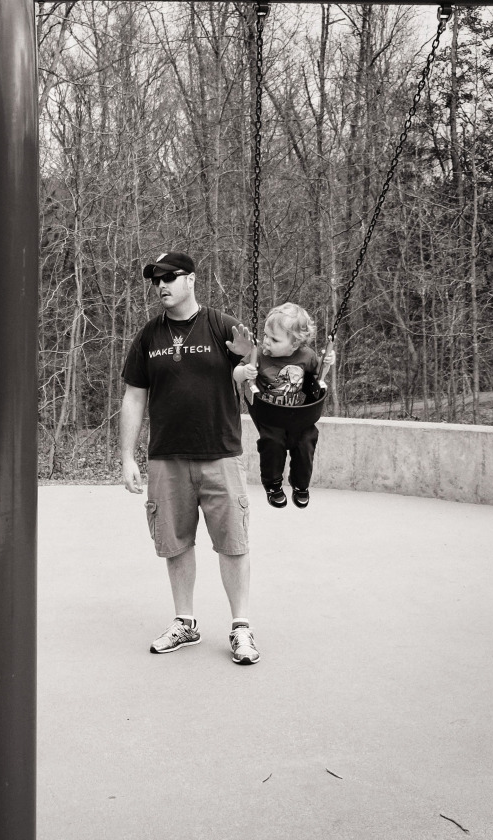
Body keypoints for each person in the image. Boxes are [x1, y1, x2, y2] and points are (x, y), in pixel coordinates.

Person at [119, 251, 261, 664]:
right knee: (174, 542)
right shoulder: (149, 337)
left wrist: (249, 360)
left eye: (169, 277)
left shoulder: (223, 326)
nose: (161, 285)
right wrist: (128, 456)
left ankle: (241, 628)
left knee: (233, 543)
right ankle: (185, 622)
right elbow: (133, 396)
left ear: (192, 280)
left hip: (221, 454)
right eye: (155, 280)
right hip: (166, 457)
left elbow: (255, 379)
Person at [235, 302, 337, 509]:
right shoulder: (259, 355)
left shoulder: (306, 356)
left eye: (274, 339)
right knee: (272, 442)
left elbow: (318, 375)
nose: (266, 342)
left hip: (299, 415)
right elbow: (236, 374)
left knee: (307, 441)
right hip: (270, 415)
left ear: (295, 344)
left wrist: (328, 360)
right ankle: (273, 485)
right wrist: (245, 373)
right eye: (265, 335)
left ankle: (301, 486)